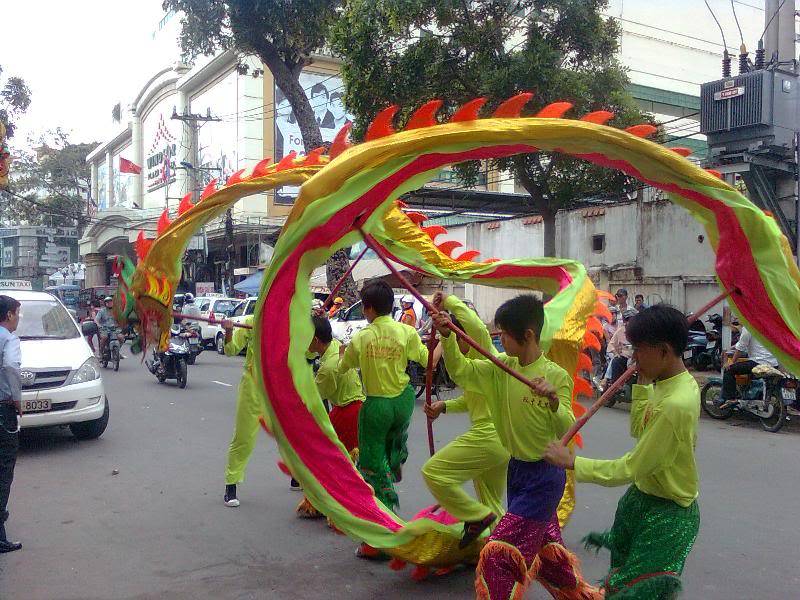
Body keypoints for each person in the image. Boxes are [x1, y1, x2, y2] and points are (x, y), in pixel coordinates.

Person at [433, 295, 599, 600]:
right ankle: (582, 596)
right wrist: (448, 338)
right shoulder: (500, 367)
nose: (500, 339)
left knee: (498, 558)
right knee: (548, 555)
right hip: (517, 472)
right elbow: (462, 373)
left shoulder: (555, 376)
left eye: (505, 334)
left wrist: (553, 402)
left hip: (545, 477)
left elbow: (567, 429)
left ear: (528, 335)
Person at [544, 305, 700, 599]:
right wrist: (642, 388)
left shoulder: (676, 403)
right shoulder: (668, 384)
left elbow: (631, 467)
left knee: (635, 591)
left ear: (664, 351)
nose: (633, 358)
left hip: (667, 515)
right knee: (621, 581)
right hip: (640, 501)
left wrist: (573, 462)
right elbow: (639, 431)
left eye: (639, 350)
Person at [421, 294, 510, 549]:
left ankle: (476, 517)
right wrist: (444, 406)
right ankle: (507, 551)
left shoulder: (484, 352)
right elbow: (472, 399)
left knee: (434, 472)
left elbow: (476, 327)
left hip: (488, 436)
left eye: (455, 338)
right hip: (499, 440)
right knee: (491, 501)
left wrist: (449, 300)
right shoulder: (476, 365)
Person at [337, 280, 428, 524]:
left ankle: (384, 518)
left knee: (371, 462)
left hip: (378, 406)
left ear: (368, 309)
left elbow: (344, 367)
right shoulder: (406, 331)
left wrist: (341, 355)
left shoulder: (362, 337)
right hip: (404, 400)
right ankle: (396, 457)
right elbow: (425, 358)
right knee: (394, 434)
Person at [221, 314, 268, 507]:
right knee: (244, 438)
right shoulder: (252, 321)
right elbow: (231, 350)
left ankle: (297, 476)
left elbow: (308, 352)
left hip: (281, 387)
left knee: (293, 436)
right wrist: (229, 330)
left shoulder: (291, 320)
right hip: (253, 387)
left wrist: (314, 322)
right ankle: (231, 485)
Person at [310, 316, 364, 453]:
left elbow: (312, 398)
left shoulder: (328, 368)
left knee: (337, 459)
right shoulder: (334, 344)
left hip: (347, 414)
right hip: (352, 407)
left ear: (315, 340)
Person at [0, 295, 22, 552]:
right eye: (17, 313)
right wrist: (17, 400)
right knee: (4, 470)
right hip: (3, 410)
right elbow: (10, 366)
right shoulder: (9, 340)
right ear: (8, 315)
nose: (18, 318)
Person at [721, 326, 779, 408]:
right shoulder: (765, 325)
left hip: (758, 362)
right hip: (773, 363)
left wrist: (732, 362)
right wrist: (733, 347)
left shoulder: (748, 327)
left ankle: (731, 399)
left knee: (729, 370)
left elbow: (741, 346)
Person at [607, 309, 637, 385]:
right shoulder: (620, 331)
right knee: (615, 361)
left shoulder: (640, 331)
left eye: (630, 320)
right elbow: (611, 344)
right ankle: (615, 387)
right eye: (626, 320)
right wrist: (616, 353)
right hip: (624, 357)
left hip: (637, 359)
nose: (627, 323)